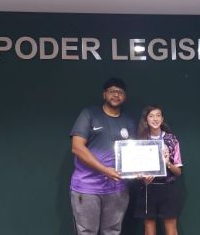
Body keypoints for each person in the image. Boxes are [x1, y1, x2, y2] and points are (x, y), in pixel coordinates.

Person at [69, 77, 135, 235]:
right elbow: (77, 148)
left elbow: (133, 155)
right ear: (104, 94)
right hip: (87, 188)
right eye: (112, 91)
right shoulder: (89, 114)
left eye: (120, 92)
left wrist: (143, 171)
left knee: (112, 232)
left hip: (117, 189)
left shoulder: (129, 121)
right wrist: (105, 170)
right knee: (87, 232)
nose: (116, 95)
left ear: (124, 97)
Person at [134, 105, 183, 235]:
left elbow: (178, 172)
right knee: (149, 229)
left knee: (171, 229)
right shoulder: (140, 141)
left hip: (168, 188)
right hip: (147, 188)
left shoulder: (172, 140)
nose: (155, 119)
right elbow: (135, 170)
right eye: (151, 116)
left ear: (162, 119)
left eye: (158, 115)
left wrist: (168, 163)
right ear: (146, 120)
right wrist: (140, 176)